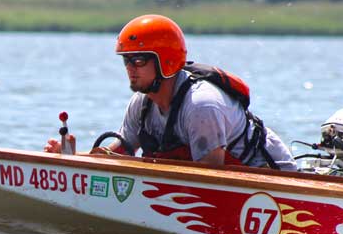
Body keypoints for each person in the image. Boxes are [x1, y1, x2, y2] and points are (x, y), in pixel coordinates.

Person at [45, 14, 296, 171]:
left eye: (140, 60)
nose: (131, 69)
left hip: (274, 179)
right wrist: (74, 158)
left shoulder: (201, 106)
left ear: (165, 61)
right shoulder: (140, 104)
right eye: (126, 61)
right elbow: (121, 154)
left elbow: (212, 176)